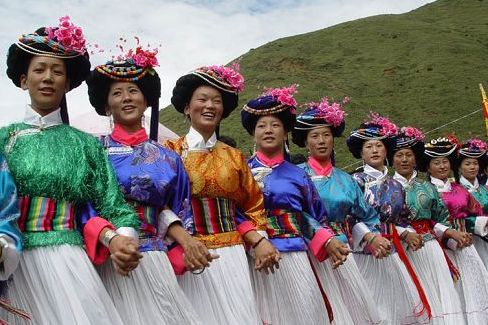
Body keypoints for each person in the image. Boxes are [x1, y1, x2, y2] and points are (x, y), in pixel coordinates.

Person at [2, 16, 141, 324]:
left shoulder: (86, 145)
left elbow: (113, 205)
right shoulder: (5, 138)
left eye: (57, 71)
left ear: (67, 83)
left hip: (68, 260)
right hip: (10, 259)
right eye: (39, 70)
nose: (48, 78)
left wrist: (125, 239)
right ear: (24, 80)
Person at [86, 44, 212, 324]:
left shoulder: (169, 158)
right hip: (110, 257)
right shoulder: (93, 151)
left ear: (145, 101)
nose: (127, 98)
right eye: (117, 93)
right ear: (106, 105)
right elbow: (83, 206)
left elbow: (180, 209)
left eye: (133, 91)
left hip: (154, 257)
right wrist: (110, 238)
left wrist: (188, 246)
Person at [166, 64, 280, 324]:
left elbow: (251, 205)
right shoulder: (169, 151)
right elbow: (161, 205)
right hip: (190, 253)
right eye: (202, 99)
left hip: (233, 254)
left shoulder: (235, 157)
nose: (209, 106)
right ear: (186, 107)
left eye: (216, 101)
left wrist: (260, 241)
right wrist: (184, 242)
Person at [241, 86, 348, 325]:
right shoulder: (241, 170)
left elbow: (315, 217)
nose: (268, 130)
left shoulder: (298, 176)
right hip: (254, 256)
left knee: (305, 314)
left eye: (275, 125)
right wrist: (256, 242)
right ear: (253, 133)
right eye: (261, 126)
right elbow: (235, 212)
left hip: (295, 254)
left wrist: (329, 241)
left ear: (285, 132)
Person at [292, 97, 382, 325]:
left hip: (343, 252)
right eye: (314, 136)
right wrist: (323, 238)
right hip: (308, 250)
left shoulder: (347, 180)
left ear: (333, 139)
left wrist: (371, 236)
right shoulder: (296, 175)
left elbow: (368, 216)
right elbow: (294, 212)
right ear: (305, 142)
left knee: (353, 310)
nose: (321, 141)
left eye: (326, 135)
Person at [346, 113, 431, 324]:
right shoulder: (355, 181)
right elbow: (348, 218)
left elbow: (401, 220)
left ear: (386, 151)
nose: (374, 150)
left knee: (397, 308)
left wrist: (408, 233)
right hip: (364, 252)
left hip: (392, 252)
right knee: (372, 309)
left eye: (379, 146)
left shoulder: (396, 185)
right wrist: (370, 238)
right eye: (368, 147)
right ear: (361, 153)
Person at [390, 127, 466, 324]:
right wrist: (405, 233)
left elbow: (440, 218)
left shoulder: (428, 187)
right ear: (392, 160)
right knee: (415, 297)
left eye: (409, 155)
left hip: (431, 248)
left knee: (441, 295)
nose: (405, 159)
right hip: (403, 250)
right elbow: (383, 221)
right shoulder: (386, 187)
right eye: (399, 155)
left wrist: (450, 232)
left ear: (416, 160)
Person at [421, 136, 488, 324]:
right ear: (428, 167)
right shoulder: (425, 190)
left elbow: (474, 213)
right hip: (441, 249)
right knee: (451, 289)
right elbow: (427, 221)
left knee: (473, 287)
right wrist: (450, 234)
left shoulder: (460, 189)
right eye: (436, 162)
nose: (442, 166)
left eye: (445, 162)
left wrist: (473, 226)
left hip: (466, 246)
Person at [455, 138, 488, 267]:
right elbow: (458, 218)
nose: (472, 167)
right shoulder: (457, 191)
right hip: (472, 239)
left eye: (475, 163)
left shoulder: (484, 188)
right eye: (467, 164)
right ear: (459, 167)